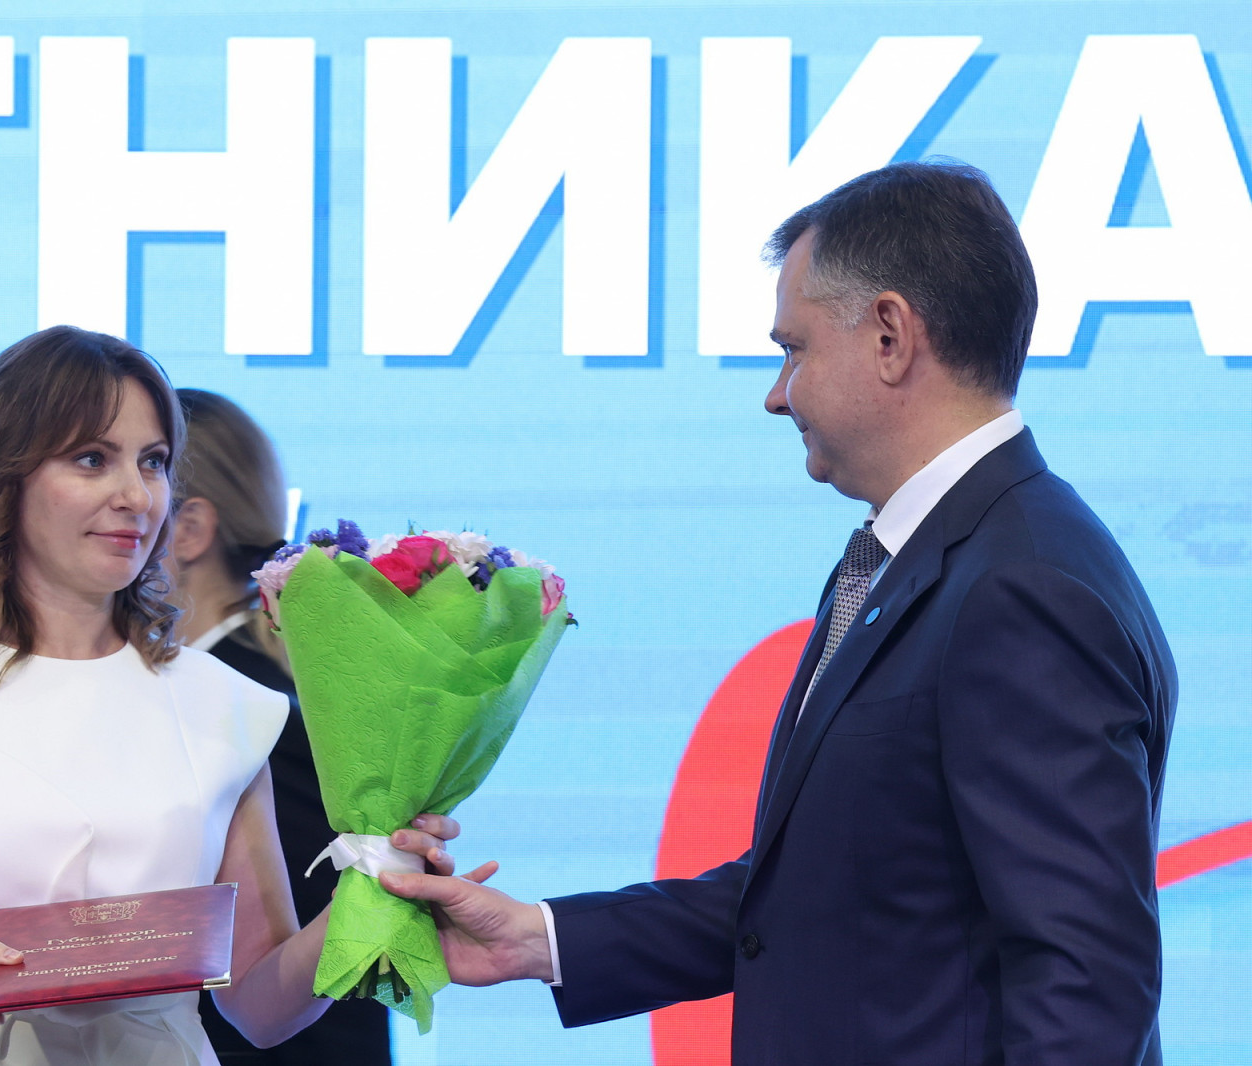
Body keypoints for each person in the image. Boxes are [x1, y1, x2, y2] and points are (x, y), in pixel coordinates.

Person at [383, 161, 1178, 1065]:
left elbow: (1085, 980)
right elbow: (820, 900)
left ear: (890, 336)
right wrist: (536, 940)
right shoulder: (925, 559)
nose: (775, 392)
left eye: (793, 349)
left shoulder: (1021, 587)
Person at [0, 326, 459, 1065]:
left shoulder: (226, 703)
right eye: (92, 459)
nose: (135, 495)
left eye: (154, 462)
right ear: (4, 477)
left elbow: (259, 1006)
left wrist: (371, 896)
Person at [165, 388, 391, 1066]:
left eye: (145, 474)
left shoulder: (246, 706)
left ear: (188, 529)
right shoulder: (236, 686)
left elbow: (300, 958)